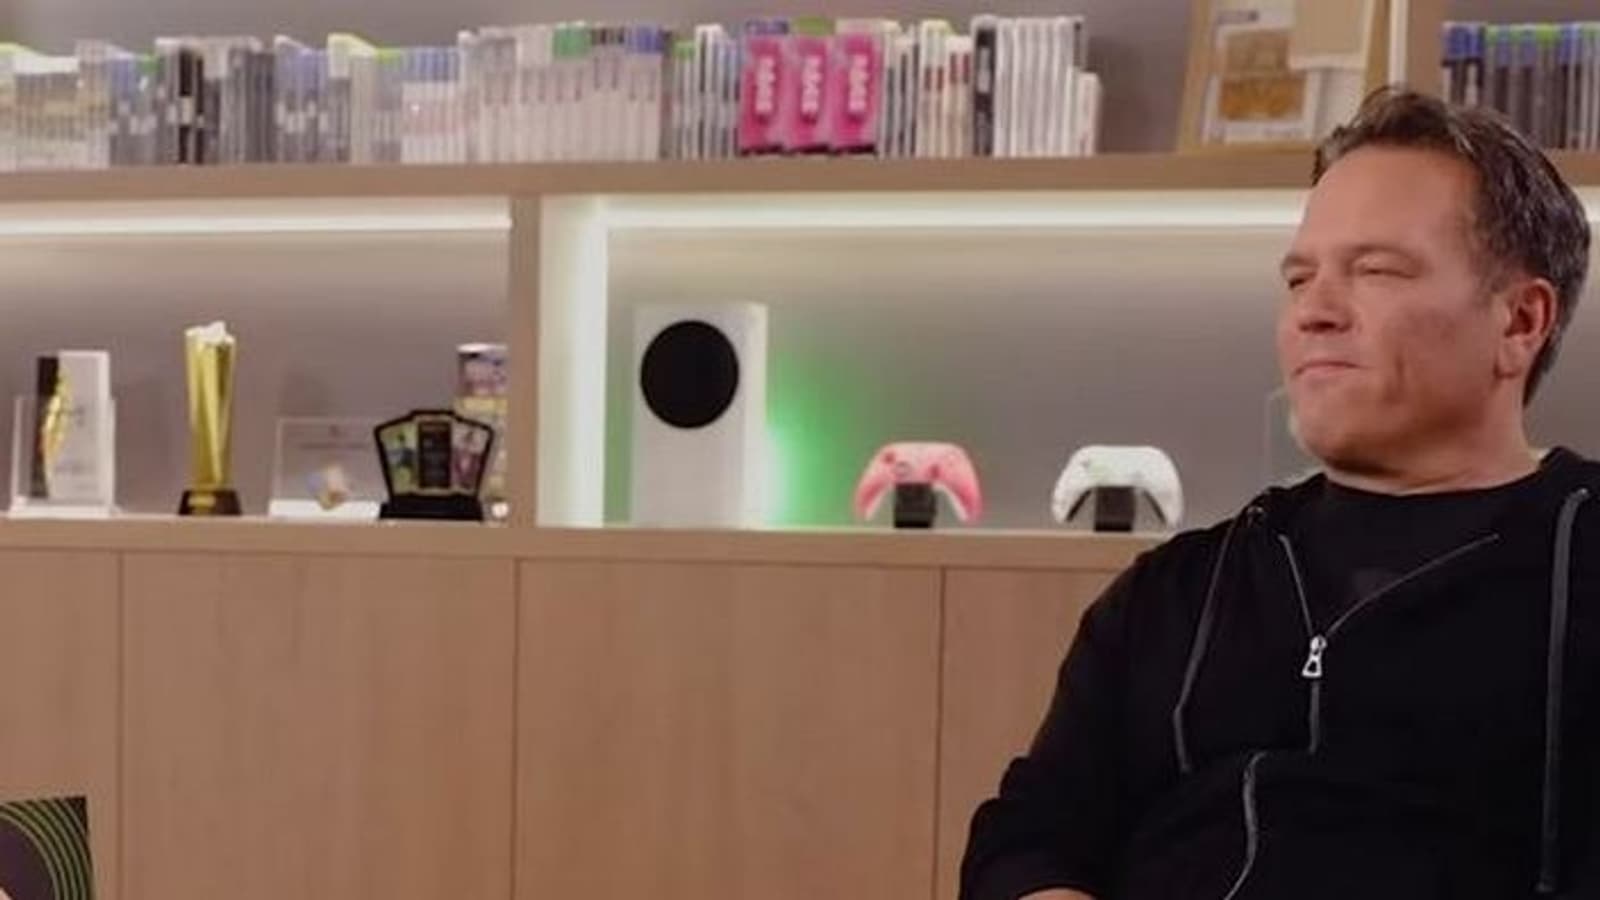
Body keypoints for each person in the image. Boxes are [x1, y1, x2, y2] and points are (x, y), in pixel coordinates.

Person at [959, 87, 1596, 900]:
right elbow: (1025, 840)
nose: (1314, 312)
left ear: (1519, 322)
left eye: (1376, 271)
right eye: (1299, 279)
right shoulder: (1174, 592)